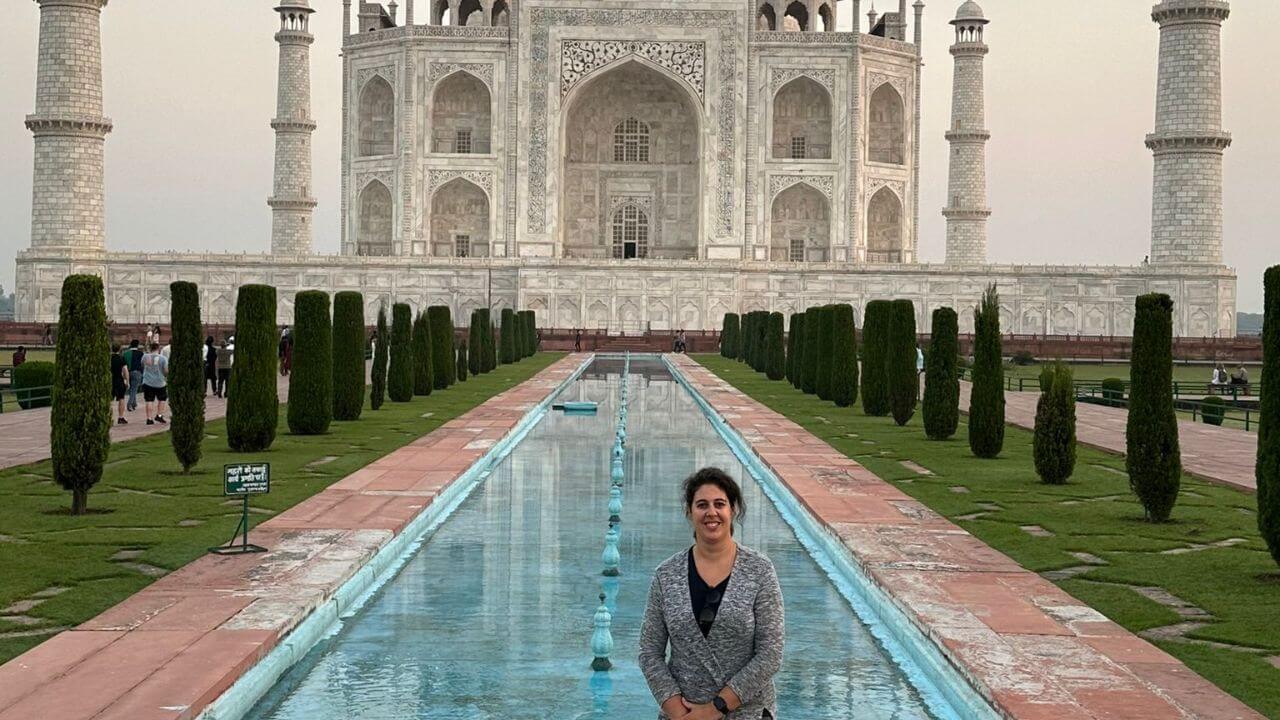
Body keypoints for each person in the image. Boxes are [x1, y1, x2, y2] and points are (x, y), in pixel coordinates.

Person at [639, 467, 783, 720]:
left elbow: (770, 654)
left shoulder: (759, 570)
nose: (711, 512)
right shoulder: (666, 575)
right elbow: (649, 652)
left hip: (746, 712)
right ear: (689, 511)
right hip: (682, 713)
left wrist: (715, 708)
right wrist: (678, 712)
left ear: (733, 510)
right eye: (702, 505)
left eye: (720, 504)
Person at [140, 342, 168, 425]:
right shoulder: (163, 358)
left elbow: (142, 365)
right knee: (162, 399)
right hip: (160, 382)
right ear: (158, 349)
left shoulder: (145, 356)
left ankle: (149, 418)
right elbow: (165, 371)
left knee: (149, 400)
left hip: (148, 381)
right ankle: (159, 415)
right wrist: (165, 375)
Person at [110, 344, 129, 425]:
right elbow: (125, 370)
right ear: (119, 349)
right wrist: (127, 381)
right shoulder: (121, 358)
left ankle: (108, 416)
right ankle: (120, 417)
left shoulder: (109, 358)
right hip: (119, 380)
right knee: (121, 398)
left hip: (110, 380)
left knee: (109, 400)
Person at [124, 339, 144, 411]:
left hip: (127, 372)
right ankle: (129, 404)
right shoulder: (140, 353)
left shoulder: (126, 353)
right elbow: (142, 364)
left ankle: (134, 403)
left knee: (132, 388)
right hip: (137, 372)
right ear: (137, 345)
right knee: (134, 389)